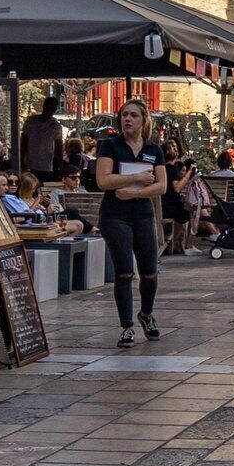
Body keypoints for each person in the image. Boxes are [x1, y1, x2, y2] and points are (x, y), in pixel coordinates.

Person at [86, 102, 175, 349]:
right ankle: (126, 326)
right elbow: (103, 181)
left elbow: (162, 185)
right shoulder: (110, 146)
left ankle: (146, 314)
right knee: (124, 271)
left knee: (149, 271)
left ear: (143, 120)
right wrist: (135, 178)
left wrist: (134, 193)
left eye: (133, 115)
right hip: (115, 215)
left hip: (143, 213)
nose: (128, 119)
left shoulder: (153, 149)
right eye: (124, 115)